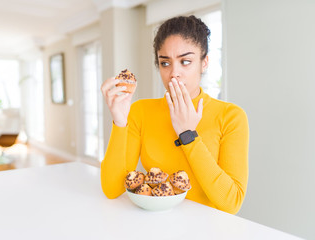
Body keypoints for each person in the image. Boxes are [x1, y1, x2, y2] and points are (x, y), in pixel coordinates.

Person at [100, 15, 249, 214]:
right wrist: (119, 122)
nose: (173, 73)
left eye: (185, 61)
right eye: (165, 63)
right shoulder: (140, 111)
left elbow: (232, 203)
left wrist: (188, 135)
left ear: (204, 63)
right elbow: (112, 189)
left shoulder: (231, 117)